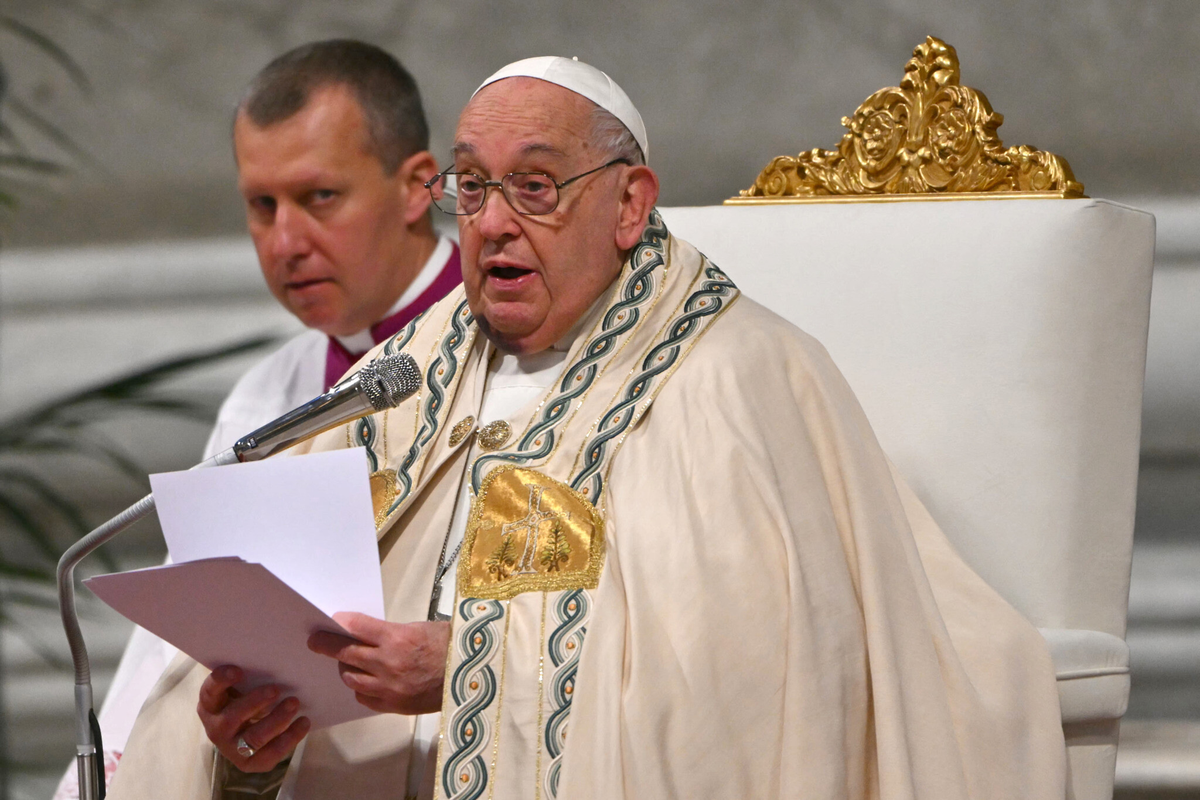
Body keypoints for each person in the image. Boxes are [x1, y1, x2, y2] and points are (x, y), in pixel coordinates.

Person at [108, 57, 1066, 800]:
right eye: (473, 188)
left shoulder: (732, 378)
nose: (489, 225)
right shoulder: (401, 380)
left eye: (536, 186)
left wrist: (465, 662)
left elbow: (758, 685)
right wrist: (249, 751)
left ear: (629, 204)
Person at [53, 40, 460, 799]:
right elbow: (177, 661)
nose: (284, 243)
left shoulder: (510, 353)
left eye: (319, 198)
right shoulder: (268, 397)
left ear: (416, 188)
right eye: (261, 205)